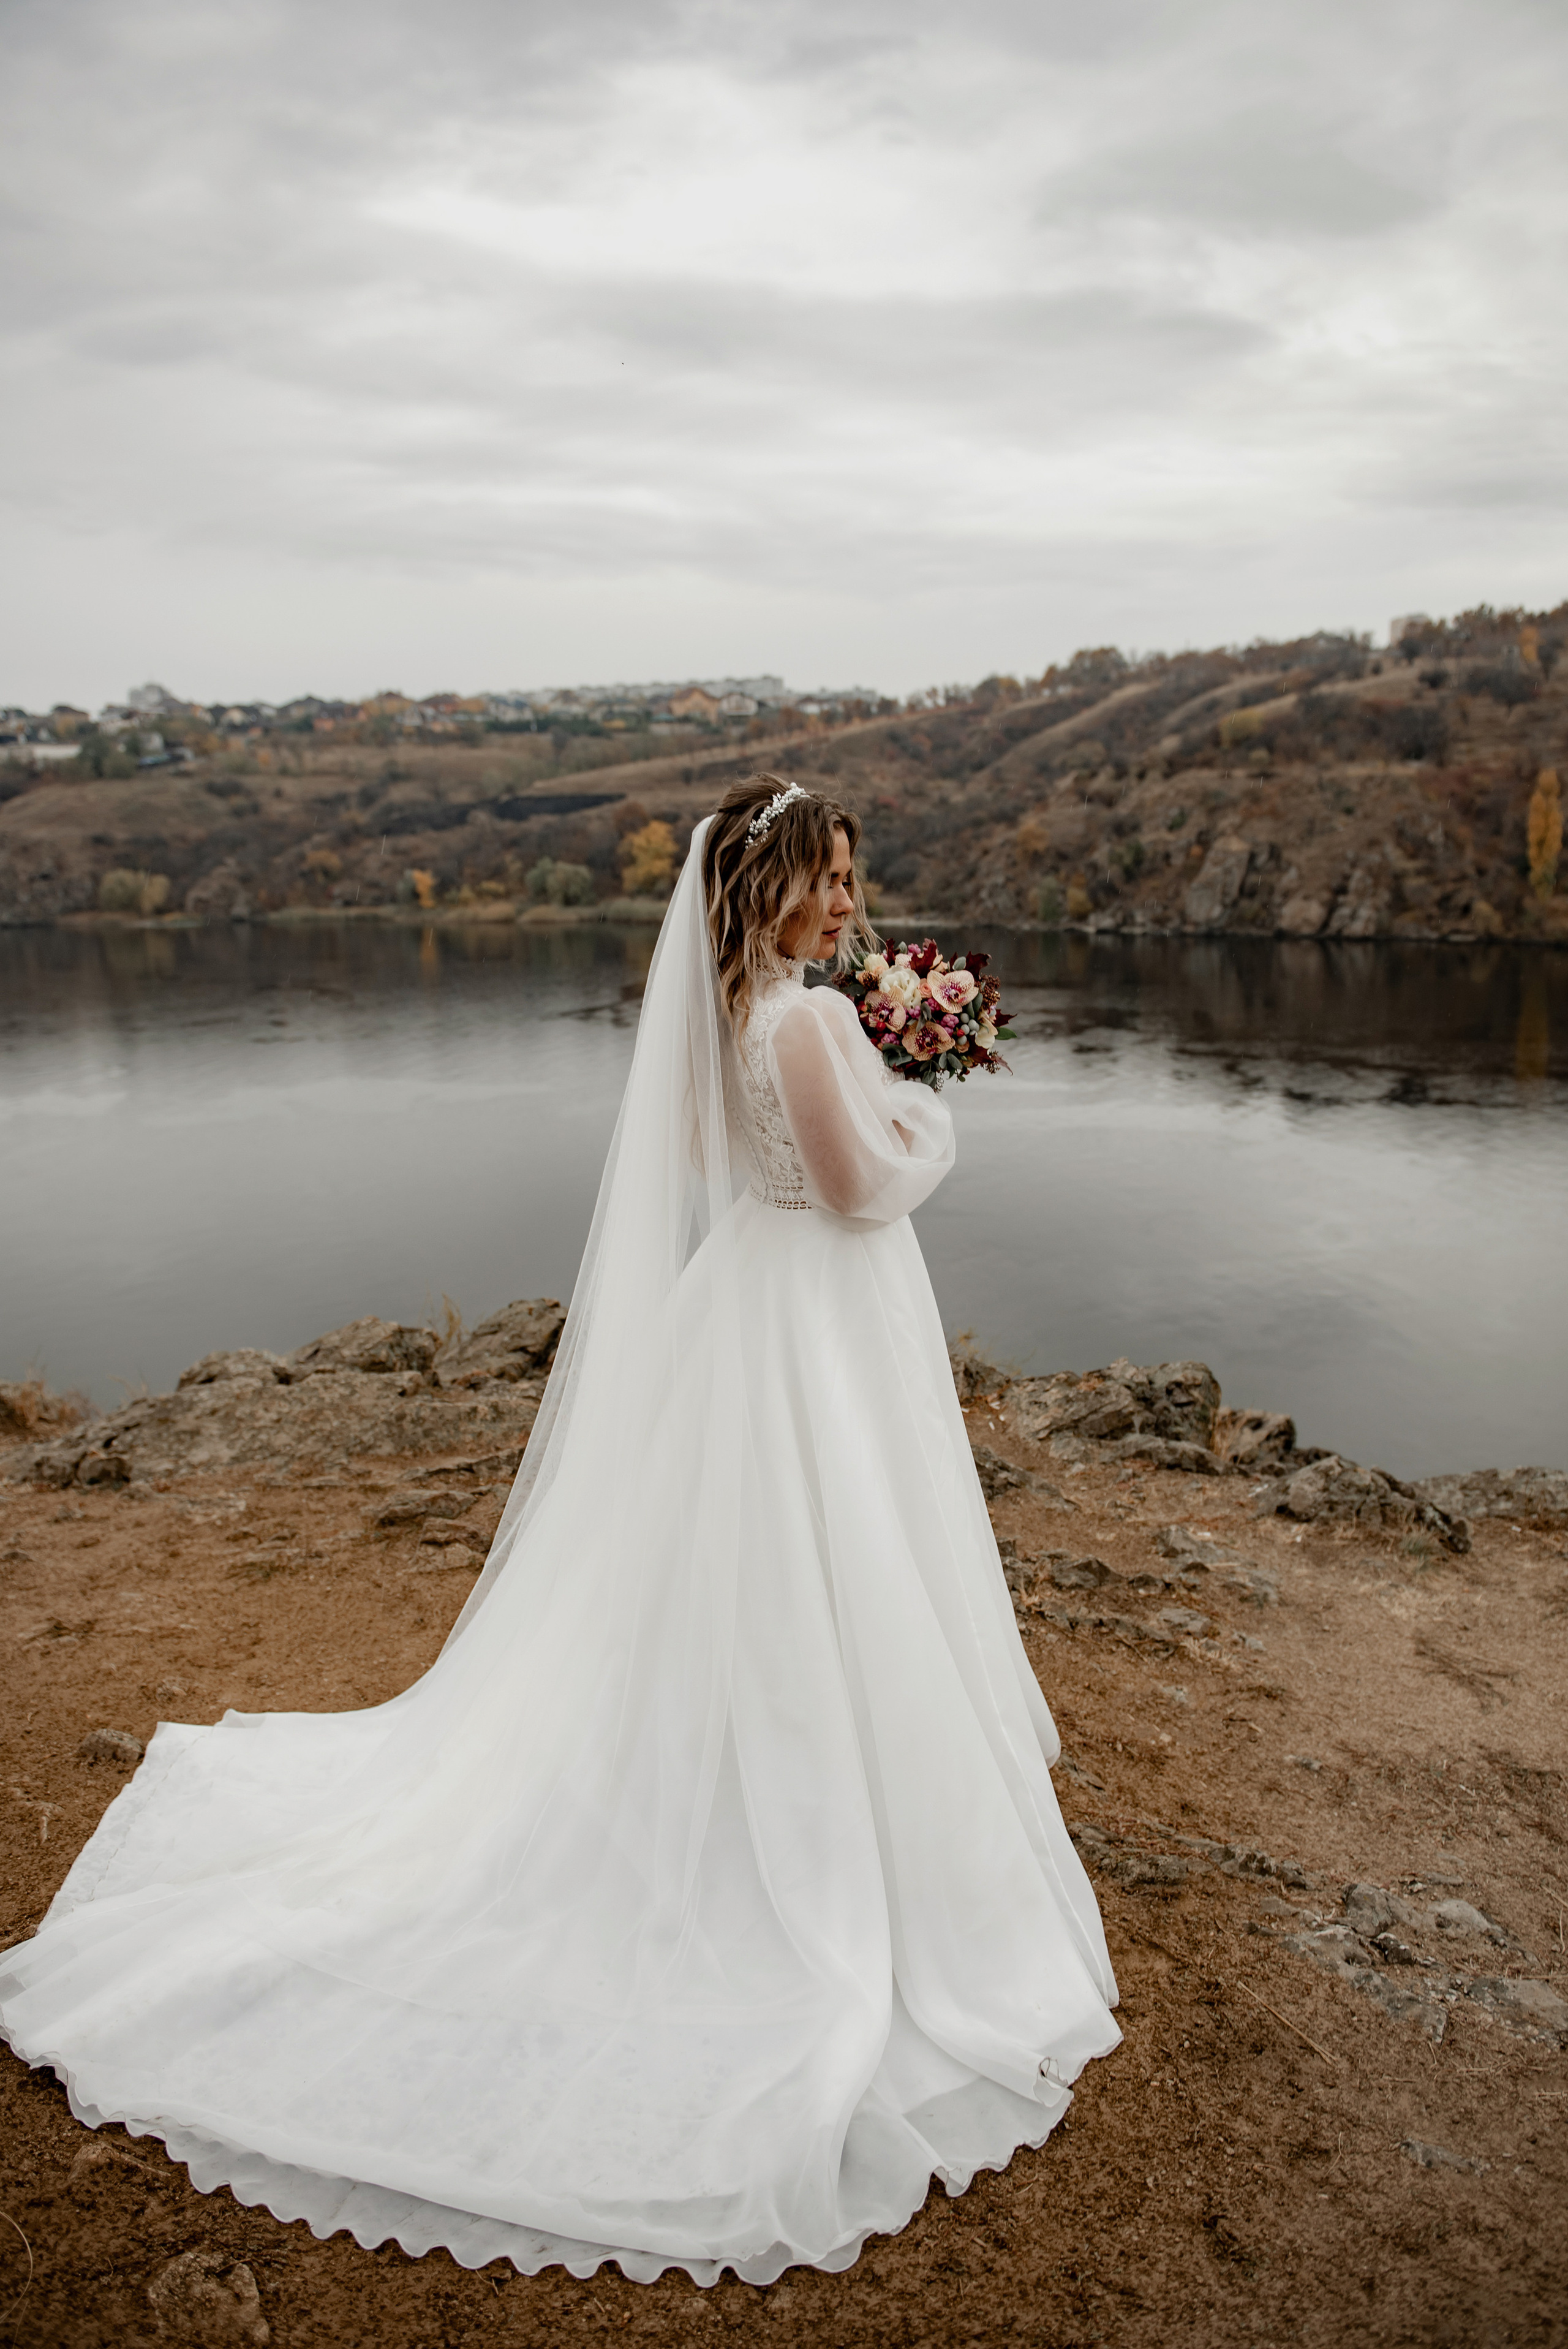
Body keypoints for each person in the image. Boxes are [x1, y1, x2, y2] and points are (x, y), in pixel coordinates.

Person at [0, 774, 1118, 2289]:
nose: (850, 903)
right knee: (829, 1550)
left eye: (855, 877)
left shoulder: (735, 1012)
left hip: (752, 1295)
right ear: (769, 886)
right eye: (828, 878)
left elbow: (719, 1172)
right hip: (817, 1307)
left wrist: (883, 1063)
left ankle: (746, 1780)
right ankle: (824, 1825)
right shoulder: (805, 1022)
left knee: (755, 1570)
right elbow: (857, 1188)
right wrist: (927, 1123)